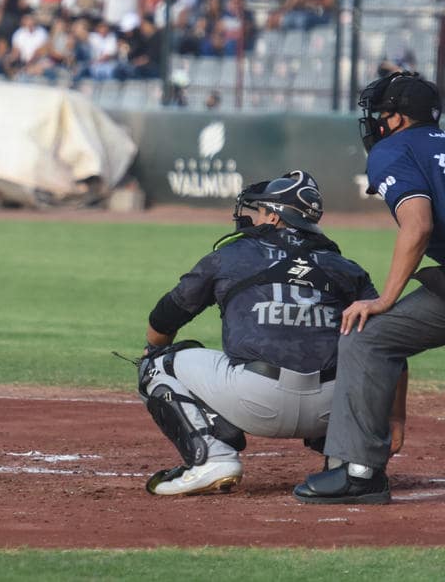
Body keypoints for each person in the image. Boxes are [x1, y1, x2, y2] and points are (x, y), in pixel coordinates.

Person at [138, 171, 379, 495]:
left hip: (254, 402)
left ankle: (212, 457)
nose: (255, 217)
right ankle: (345, 462)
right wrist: (394, 420)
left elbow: (165, 317)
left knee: (157, 363)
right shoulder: (346, 267)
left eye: (261, 210)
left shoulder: (232, 255)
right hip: (330, 410)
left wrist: (152, 352)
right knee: (362, 361)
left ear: (275, 216)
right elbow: (383, 347)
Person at [293, 71, 444, 505]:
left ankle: (358, 471)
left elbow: (417, 226)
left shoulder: (394, 149)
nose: (377, 123)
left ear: (396, 119)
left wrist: (386, 298)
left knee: (368, 336)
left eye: (382, 115)